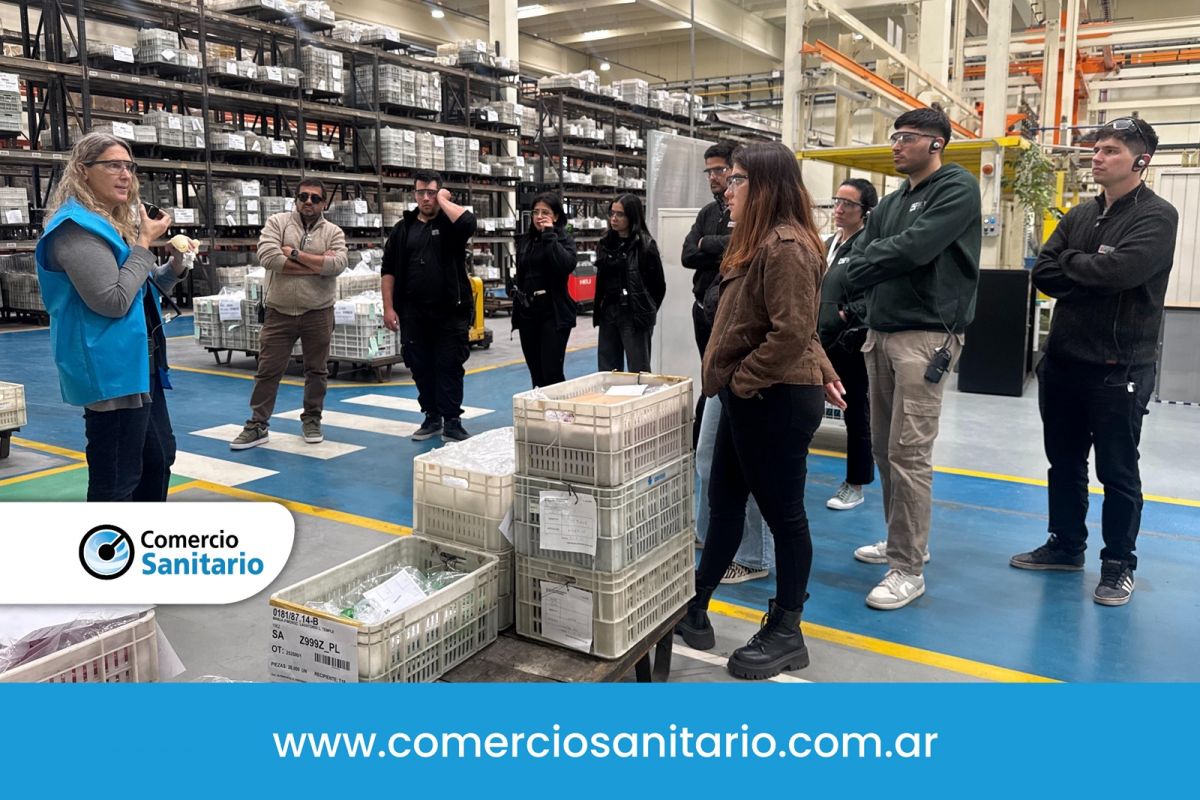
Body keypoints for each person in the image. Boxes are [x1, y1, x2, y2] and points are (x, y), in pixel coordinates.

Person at [675, 141, 846, 680]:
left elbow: (792, 331)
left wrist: (743, 382)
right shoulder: (759, 241)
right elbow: (797, 325)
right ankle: (696, 606)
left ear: (766, 186)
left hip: (773, 398)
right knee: (724, 504)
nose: (727, 189)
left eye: (738, 180)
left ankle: (787, 630)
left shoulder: (787, 245)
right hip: (751, 395)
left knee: (783, 515)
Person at [1010, 117, 1177, 607]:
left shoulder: (1157, 216)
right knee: (1063, 463)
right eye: (1097, 149)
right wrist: (1087, 269)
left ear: (1141, 160)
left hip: (1118, 368)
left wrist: (1076, 267)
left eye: (1110, 151)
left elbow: (1119, 272)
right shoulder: (1081, 213)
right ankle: (1066, 546)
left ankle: (1118, 563)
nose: (1097, 157)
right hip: (1064, 362)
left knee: (1117, 472)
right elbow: (1043, 272)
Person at [845, 107, 981, 611]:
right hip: (881, 334)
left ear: (936, 143)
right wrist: (867, 265)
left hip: (925, 337)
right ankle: (902, 540)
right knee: (885, 449)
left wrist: (861, 268)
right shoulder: (894, 200)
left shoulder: (956, 187)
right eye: (894, 136)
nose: (896, 145)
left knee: (909, 453)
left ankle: (907, 567)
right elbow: (868, 247)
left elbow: (912, 250)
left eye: (906, 137)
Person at [35, 131, 196, 500]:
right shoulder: (75, 230)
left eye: (129, 166)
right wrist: (144, 241)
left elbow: (139, 286)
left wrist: (176, 264)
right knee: (118, 479)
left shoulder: (108, 222)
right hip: (110, 369)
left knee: (158, 458)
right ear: (83, 170)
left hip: (139, 363)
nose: (125, 175)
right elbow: (113, 300)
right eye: (113, 166)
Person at [231, 178, 348, 450]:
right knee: (267, 370)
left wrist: (294, 254)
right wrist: (318, 265)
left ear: (324, 203)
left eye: (315, 198)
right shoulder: (277, 223)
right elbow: (269, 258)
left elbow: (338, 264)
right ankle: (258, 424)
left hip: (318, 312)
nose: (308, 202)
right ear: (296, 199)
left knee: (317, 370)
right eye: (303, 196)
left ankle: (312, 418)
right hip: (279, 312)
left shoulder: (333, 232)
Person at [381, 171, 477, 442]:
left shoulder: (451, 224)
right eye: (421, 192)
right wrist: (389, 308)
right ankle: (432, 416)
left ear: (440, 193)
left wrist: (443, 200)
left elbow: (469, 222)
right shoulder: (403, 229)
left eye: (431, 193)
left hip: (450, 312)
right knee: (420, 365)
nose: (426, 198)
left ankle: (452, 421)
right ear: (414, 194)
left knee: (449, 364)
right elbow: (388, 270)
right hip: (413, 312)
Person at [820, 178, 879, 511]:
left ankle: (855, 484)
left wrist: (845, 314)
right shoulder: (830, 243)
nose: (839, 209)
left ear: (865, 211)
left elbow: (873, 292)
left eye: (848, 204)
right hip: (819, 340)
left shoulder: (868, 245)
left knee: (855, 412)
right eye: (837, 201)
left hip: (849, 343)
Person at [682, 141, 735, 446]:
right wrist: (717, 247)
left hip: (729, 311)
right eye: (709, 171)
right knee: (707, 373)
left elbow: (739, 250)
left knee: (723, 376)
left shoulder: (747, 211)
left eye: (719, 170)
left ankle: (715, 439)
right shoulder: (707, 213)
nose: (713, 177)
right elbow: (688, 255)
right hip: (702, 308)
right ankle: (704, 440)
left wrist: (707, 243)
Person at [593, 194, 665, 373]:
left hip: (634, 315)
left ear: (632, 216)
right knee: (607, 370)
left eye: (620, 214)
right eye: (612, 213)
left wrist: (644, 309)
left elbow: (658, 287)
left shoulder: (645, 246)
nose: (614, 218)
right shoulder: (604, 244)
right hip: (608, 311)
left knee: (639, 371)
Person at [512, 192, 577, 388]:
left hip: (553, 312)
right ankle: (539, 407)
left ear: (555, 216)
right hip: (528, 313)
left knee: (552, 372)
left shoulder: (563, 239)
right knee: (536, 373)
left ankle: (559, 407)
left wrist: (549, 235)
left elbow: (565, 265)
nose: (539, 216)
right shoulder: (527, 241)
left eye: (545, 212)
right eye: (536, 212)